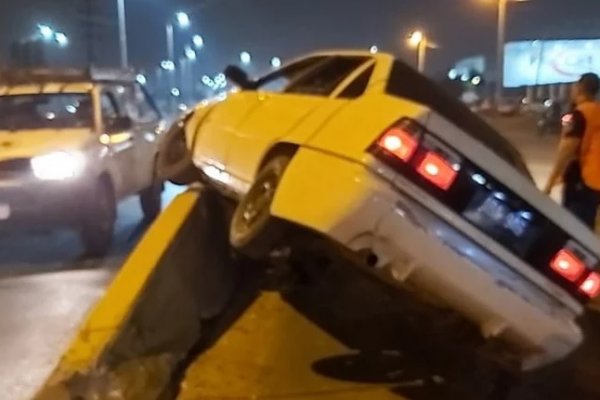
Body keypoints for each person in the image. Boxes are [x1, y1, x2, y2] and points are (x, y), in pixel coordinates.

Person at [543, 73, 600, 229]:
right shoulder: (597, 111)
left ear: (580, 88)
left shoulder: (580, 114)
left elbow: (566, 150)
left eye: (574, 86)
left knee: (571, 228)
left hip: (582, 180)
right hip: (595, 183)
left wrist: (549, 184)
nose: (571, 90)